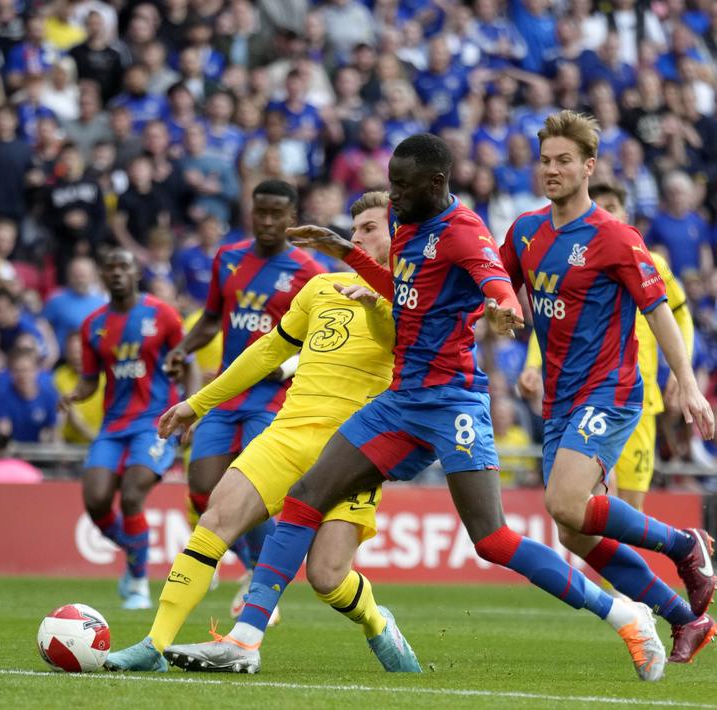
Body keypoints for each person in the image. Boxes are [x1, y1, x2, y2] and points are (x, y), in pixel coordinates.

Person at [244, 133, 669, 682]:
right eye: (391, 184)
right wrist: (344, 251)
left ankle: (625, 614)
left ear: (436, 182)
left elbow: (497, 282)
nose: (393, 195)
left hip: (453, 401)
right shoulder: (408, 225)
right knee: (305, 495)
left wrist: (505, 306)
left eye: (401, 186)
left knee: (492, 539)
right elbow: (404, 290)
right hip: (402, 400)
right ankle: (245, 637)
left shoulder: (464, 230)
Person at [105, 192, 421, 674]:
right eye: (354, 229)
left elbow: (395, 341)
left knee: (326, 577)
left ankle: (377, 621)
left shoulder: (413, 298)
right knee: (215, 518)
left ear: (398, 235)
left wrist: (377, 304)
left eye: (370, 229)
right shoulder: (321, 288)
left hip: (352, 450)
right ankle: (154, 644)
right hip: (288, 433)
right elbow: (267, 350)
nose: (356, 237)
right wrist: (197, 403)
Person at [499, 112, 716, 663]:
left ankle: (684, 544)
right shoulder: (524, 231)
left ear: (589, 166)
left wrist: (689, 385)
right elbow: (496, 285)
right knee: (573, 530)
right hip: (560, 399)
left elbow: (659, 311)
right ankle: (686, 618)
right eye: (545, 161)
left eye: (564, 160)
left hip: (610, 391)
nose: (552, 169)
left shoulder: (615, 236)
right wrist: (498, 308)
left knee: (564, 501)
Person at [161, 179, 325, 617]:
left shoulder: (309, 271)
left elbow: (323, 338)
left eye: (277, 214)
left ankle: (259, 576)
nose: (267, 221)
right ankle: (249, 561)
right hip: (227, 391)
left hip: (274, 397)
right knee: (202, 487)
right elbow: (211, 319)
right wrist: (182, 349)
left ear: (292, 217)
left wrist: (285, 368)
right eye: (260, 212)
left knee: (253, 488)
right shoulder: (228, 258)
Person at [519, 181, 694, 512]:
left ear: (627, 214)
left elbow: (680, 316)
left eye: (612, 207)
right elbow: (553, 320)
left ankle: (656, 541)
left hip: (641, 402)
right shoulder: (573, 265)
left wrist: (680, 371)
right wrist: (532, 364)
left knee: (630, 505)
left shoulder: (651, 263)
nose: (605, 214)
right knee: (590, 499)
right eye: (600, 208)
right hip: (593, 395)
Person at [63, 249, 182, 610]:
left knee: (132, 494)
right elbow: (90, 379)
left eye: (123, 267)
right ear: (103, 276)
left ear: (135, 273)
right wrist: (75, 395)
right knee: (96, 500)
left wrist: (191, 408)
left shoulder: (162, 314)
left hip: (155, 421)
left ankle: (138, 584)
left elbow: (186, 362)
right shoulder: (93, 324)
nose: (117, 273)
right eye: (110, 268)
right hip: (113, 425)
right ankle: (135, 552)